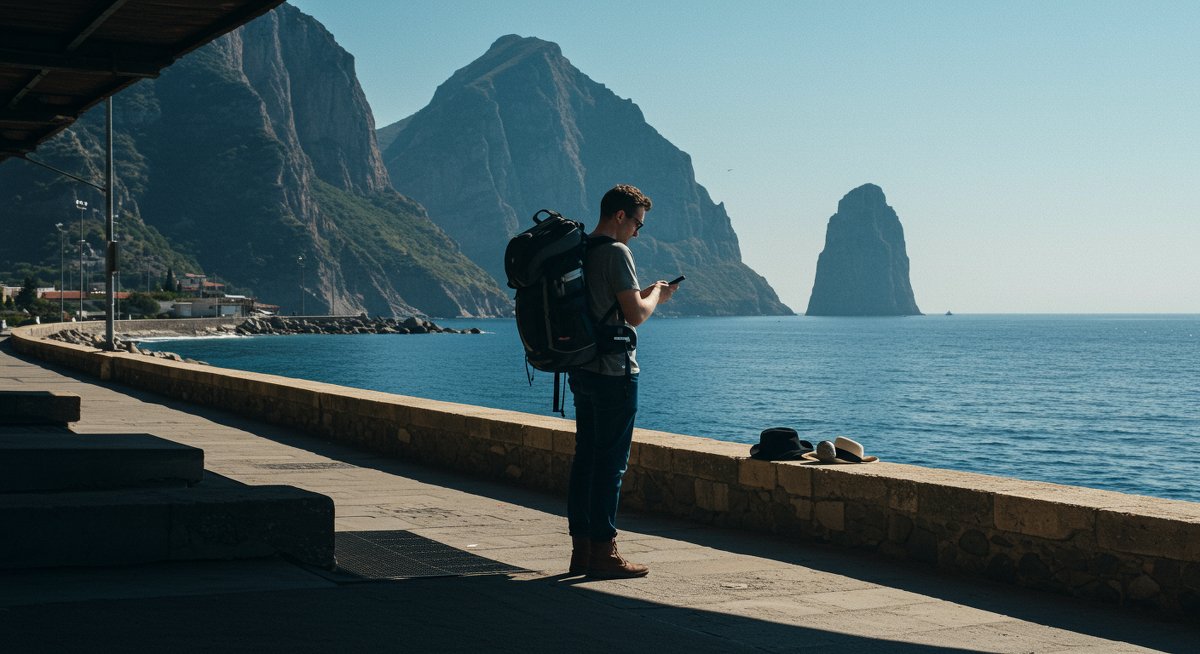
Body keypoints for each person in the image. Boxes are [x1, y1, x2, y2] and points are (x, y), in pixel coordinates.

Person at [567, 184, 679, 579]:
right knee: (611, 465)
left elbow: (608, 303)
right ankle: (605, 552)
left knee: (585, 460)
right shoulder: (617, 252)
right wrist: (658, 295)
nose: (637, 231)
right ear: (620, 216)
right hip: (614, 372)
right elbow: (635, 315)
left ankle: (582, 551)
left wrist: (641, 294)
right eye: (637, 223)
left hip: (582, 367)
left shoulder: (581, 248)